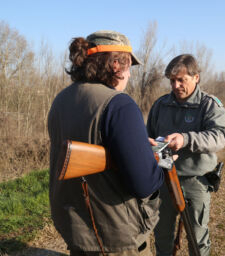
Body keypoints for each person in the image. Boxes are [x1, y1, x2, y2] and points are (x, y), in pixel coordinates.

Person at [48, 30, 164, 256]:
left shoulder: (60, 100)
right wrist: (155, 160)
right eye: (129, 67)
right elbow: (145, 184)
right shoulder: (119, 104)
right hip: (116, 241)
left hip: (78, 233)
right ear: (115, 66)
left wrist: (134, 146)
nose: (130, 76)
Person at [147, 54, 225, 256]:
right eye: (172, 81)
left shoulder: (210, 105)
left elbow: (219, 137)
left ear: (196, 77)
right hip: (164, 179)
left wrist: (185, 139)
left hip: (195, 182)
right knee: (162, 237)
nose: (176, 85)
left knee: (197, 239)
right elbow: (148, 135)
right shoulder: (160, 105)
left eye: (181, 80)